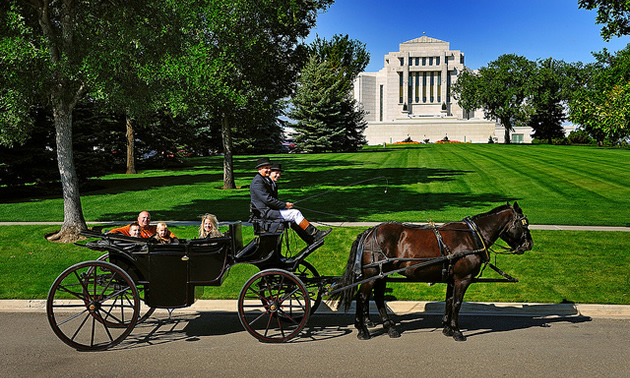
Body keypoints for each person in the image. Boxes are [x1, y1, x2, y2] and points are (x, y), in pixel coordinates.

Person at [250, 157, 331, 244]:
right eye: (266, 168)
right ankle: (315, 233)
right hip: (266, 213)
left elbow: (270, 200)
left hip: (269, 211)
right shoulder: (258, 182)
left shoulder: (264, 180)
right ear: (260, 169)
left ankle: (310, 239)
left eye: (269, 168)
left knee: (293, 219)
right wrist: (285, 205)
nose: (269, 170)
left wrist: (285, 206)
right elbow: (268, 200)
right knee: (295, 213)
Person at [107, 210, 176, 238]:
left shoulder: (153, 229)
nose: (146, 220)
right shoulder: (132, 227)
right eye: (144, 218)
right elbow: (117, 230)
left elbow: (167, 232)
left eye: (148, 218)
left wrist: (174, 238)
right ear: (138, 219)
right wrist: (108, 234)